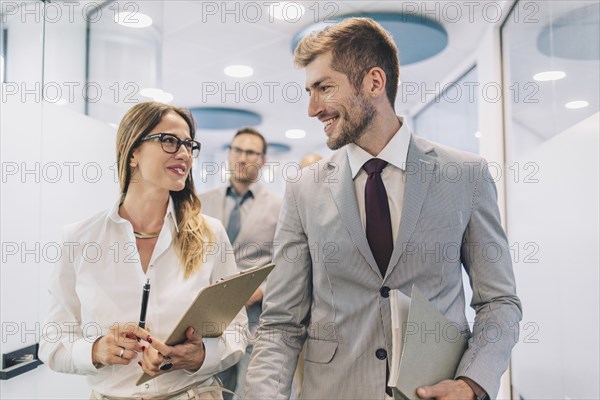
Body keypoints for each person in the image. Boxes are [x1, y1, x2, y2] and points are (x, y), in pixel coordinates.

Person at [245, 18, 522, 400]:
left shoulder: (465, 175)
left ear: (374, 82)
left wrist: (472, 383)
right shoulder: (303, 190)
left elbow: (499, 302)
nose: (312, 108)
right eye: (310, 91)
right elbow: (280, 323)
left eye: (324, 88)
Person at [39, 102, 248, 400]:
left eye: (189, 145)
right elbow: (51, 343)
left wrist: (200, 355)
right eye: (169, 141)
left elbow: (238, 330)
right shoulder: (80, 239)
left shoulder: (210, 234)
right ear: (133, 151)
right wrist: (96, 350)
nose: (184, 153)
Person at [201, 127, 282, 398]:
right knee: (212, 392)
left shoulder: (279, 207)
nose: (242, 157)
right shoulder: (201, 203)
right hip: (212, 321)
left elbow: (289, 263)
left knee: (252, 392)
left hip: (255, 321)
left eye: (250, 152)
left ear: (263, 160)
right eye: (236, 150)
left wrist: (262, 290)